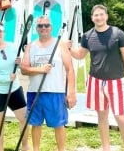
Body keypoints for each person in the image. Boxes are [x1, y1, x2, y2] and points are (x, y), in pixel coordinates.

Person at [68, 4, 124, 151]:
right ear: (92, 18)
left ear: (106, 16)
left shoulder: (118, 34)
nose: (99, 17)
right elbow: (80, 55)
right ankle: (106, 147)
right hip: (95, 81)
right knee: (102, 116)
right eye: (96, 15)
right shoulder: (87, 36)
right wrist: (69, 48)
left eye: (101, 14)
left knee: (121, 117)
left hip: (116, 81)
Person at [20, 16, 76, 151]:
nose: (43, 28)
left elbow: (70, 70)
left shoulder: (60, 44)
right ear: (36, 28)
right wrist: (40, 69)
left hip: (55, 92)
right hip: (35, 92)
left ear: (51, 27)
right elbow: (24, 69)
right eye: (40, 26)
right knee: (35, 124)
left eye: (46, 25)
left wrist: (71, 93)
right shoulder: (30, 47)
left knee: (59, 125)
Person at [0, 21, 30, 151]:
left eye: (0, 31)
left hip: (14, 89)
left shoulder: (13, 47)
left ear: (4, 33)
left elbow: (21, 65)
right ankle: (0, 148)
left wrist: (19, 63)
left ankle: (25, 146)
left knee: (24, 118)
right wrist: (5, 79)